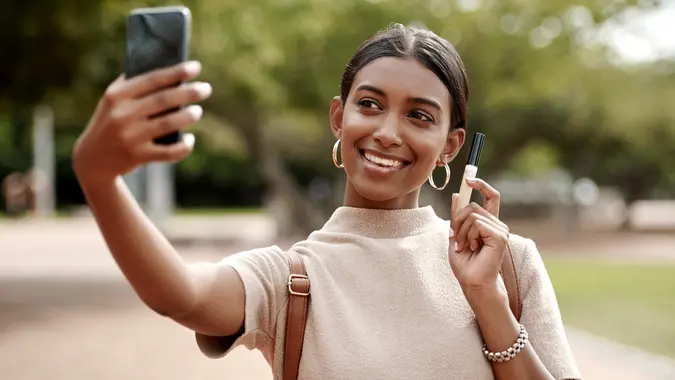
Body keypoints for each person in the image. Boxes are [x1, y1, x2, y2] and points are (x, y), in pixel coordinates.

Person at [72, 23, 582, 380]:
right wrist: (99, 178)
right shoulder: (292, 279)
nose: (386, 132)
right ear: (339, 118)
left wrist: (488, 299)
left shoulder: (508, 264)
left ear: (452, 144)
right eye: (370, 104)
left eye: (420, 116)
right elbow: (180, 294)